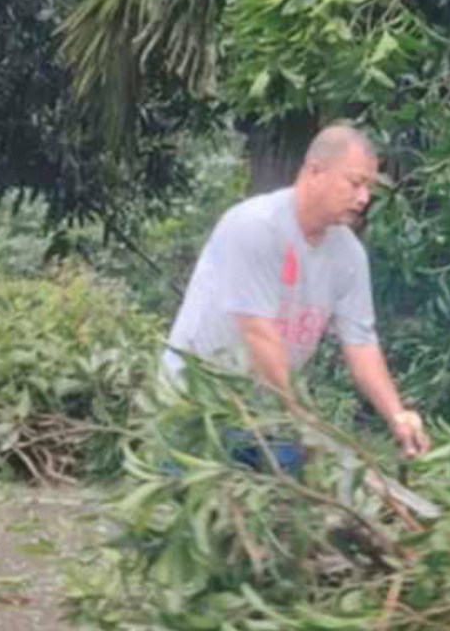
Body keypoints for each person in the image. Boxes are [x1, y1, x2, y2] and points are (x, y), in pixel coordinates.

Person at [161, 122, 429, 464]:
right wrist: (303, 420)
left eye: (369, 188)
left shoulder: (348, 256)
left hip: (269, 417)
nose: (364, 198)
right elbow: (259, 333)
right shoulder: (255, 226)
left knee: (285, 513)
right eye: (355, 183)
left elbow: (361, 344)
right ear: (316, 171)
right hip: (196, 406)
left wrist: (397, 415)